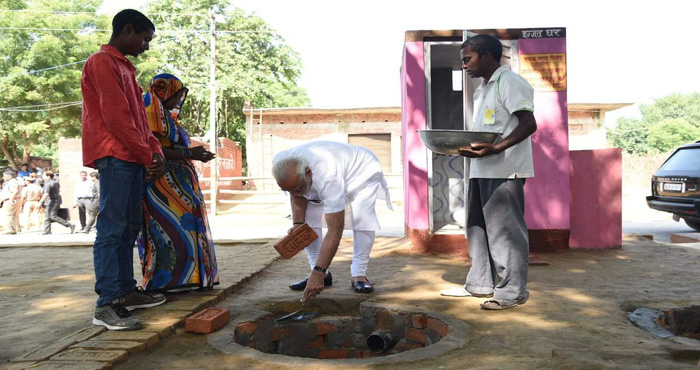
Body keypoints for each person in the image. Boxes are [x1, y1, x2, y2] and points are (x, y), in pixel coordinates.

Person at [81, 9, 166, 331]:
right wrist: (147, 154)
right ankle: (107, 303)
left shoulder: (125, 68)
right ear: (127, 30)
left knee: (129, 226)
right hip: (115, 155)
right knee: (113, 229)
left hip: (130, 155)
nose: (146, 46)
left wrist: (154, 150)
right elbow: (116, 118)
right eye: (144, 38)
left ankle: (126, 291)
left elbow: (139, 120)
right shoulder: (101, 62)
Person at [439, 34, 537, 310]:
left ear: (486, 56)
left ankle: (512, 292)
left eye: (467, 59)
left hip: (505, 170)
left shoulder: (510, 82)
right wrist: (452, 147)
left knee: (505, 233)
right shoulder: (484, 88)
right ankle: (480, 283)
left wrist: (497, 149)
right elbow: (485, 134)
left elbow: (529, 124)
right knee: (478, 229)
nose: (464, 65)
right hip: (481, 169)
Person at [272, 141, 393, 303]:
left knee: (362, 218)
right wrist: (298, 224)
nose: (294, 194)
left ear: (308, 173)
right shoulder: (281, 163)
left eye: (298, 188)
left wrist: (317, 274)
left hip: (361, 170)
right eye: (288, 190)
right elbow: (297, 195)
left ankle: (359, 275)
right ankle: (322, 274)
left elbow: (336, 228)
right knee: (309, 221)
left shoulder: (328, 177)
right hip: (322, 172)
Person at [137, 73, 219, 292]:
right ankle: (167, 282)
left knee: (187, 228)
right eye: (174, 96)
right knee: (166, 232)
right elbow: (152, 147)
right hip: (162, 183)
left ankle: (187, 280)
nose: (177, 102)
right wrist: (189, 152)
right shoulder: (149, 112)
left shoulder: (167, 117)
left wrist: (193, 154)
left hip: (180, 180)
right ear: (163, 92)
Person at [0, 169, 22, 234]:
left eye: (4, 176)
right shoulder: (12, 182)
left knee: (8, 215)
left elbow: (14, 192)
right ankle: (16, 229)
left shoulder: (13, 182)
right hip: (13, 200)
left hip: (10, 200)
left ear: (9, 176)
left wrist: (11, 199)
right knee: (15, 216)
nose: (3, 177)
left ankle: (9, 229)